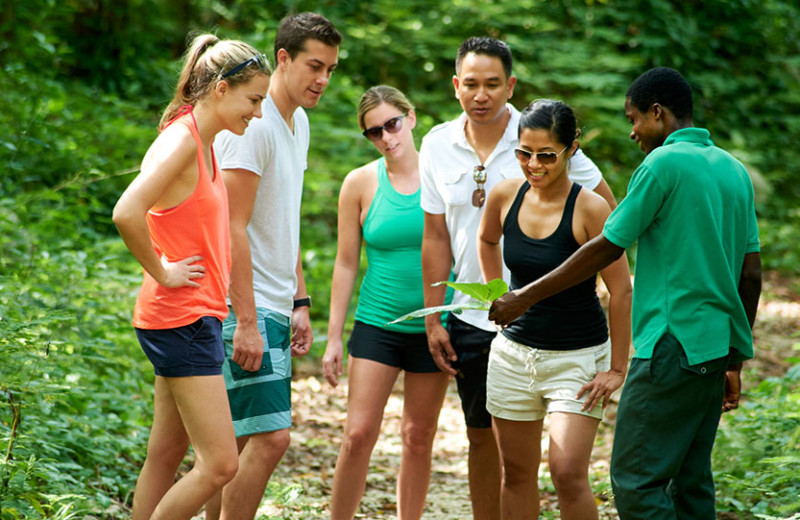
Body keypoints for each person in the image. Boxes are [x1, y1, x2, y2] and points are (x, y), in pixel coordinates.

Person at [488, 67, 762, 520]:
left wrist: (524, 296)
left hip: (669, 346)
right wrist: (735, 358)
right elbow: (750, 275)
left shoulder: (662, 165)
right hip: (715, 348)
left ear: (657, 112)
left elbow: (606, 247)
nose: (632, 131)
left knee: (635, 480)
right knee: (690, 483)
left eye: (634, 118)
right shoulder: (732, 170)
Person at [419, 36, 617, 519]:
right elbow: (442, 235)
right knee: (495, 451)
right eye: (471, 83)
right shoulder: (441, 147)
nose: (481, 94)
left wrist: (617, 343)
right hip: (487, 322)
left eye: (492, 84)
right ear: (455, 86)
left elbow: (614, 235)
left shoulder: (548, 152)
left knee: (565, 469)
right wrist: (457, 309)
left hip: (567, 335)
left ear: (510, 86)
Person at [112, 35, 270, 520]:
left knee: (165, 452)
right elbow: (126, 211)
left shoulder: (202, 142)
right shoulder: (181, 142)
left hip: (191, 316)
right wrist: (162, 271)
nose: (258, 113)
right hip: (181, 318)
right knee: (221, 464)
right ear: (221, 89)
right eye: (254, 100)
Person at [205, 13, 341, 520]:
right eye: (314, 66)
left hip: (276, 303)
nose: (323, 79)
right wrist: (243, 319)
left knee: (236, 445)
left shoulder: (297, 122)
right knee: (269, 437)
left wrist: (300, 300)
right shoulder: (250, 126)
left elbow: (284, 218)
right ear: (282, 58)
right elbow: (231, 226)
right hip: (244, 303)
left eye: (330, 69)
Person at [477, 99, 632, 520]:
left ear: (572, 150)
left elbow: (621, 290)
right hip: (512, 356)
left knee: (567, 473)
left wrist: (618, 367)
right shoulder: (505, 195)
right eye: (524, 153)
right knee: (518, 473)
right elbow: (488, 239)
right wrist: (493, 294)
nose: (534, 164)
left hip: (577, 358)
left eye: (547, 155)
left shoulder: (591, 209)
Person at [322, 86, 450, 520]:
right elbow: (345, 264)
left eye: (392, 124)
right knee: (358, 434)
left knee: (418, 435)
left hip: (433, 327)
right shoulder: (359, 183)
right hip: (378, 324)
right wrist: (333, 337)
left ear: (411, 118)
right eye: (374, 132)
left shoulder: (445, 177)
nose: (386, 137)